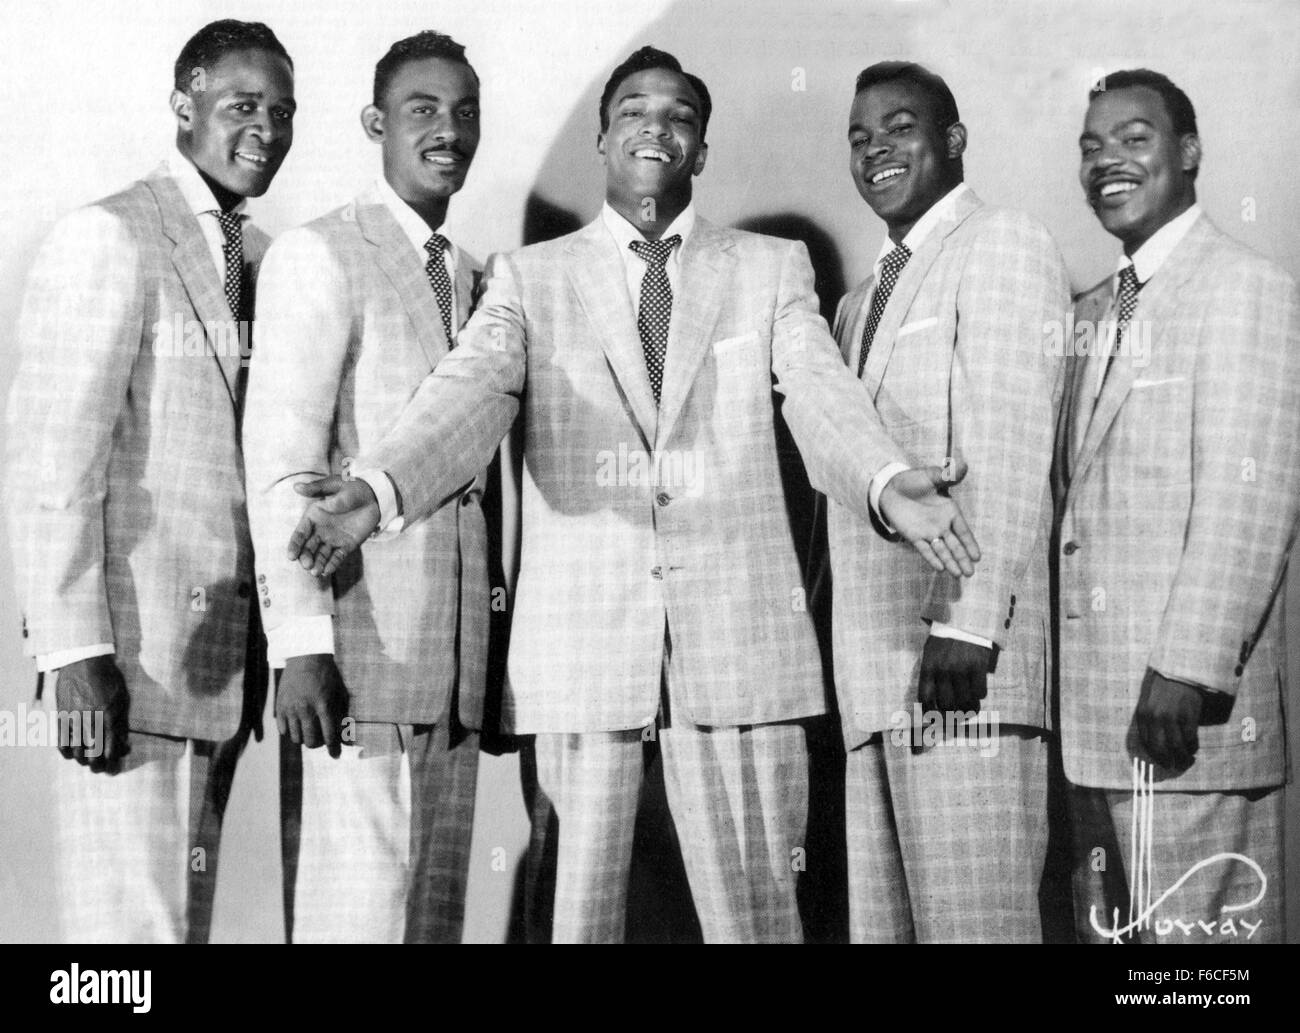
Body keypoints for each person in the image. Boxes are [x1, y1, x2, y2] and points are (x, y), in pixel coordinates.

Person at [287, 45, 980, 943]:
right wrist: (380, 488)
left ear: (701, 151)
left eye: (681, 117)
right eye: (636, 113)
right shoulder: (527, 279)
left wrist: (887, 482)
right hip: (581, 654)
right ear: (603, 140)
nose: (658, 127)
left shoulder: (772, 268)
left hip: (742, 654)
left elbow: (819, 391)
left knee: (763, 919)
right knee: (575, 922)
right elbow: (466, 394)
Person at [4, 19, 295, 943]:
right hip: (126, 664)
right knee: (124, 948)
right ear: (184, 103)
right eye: (243, 104)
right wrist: (72, 651)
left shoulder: (266, 261)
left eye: (283, 111)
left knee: (176, 936)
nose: (267, 129)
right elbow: (52, 458)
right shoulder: (109, 237)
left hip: (223, 664)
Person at [243, 30, 500, 944]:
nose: (448, 131)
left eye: (464, 112)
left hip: (456, 670)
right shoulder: (321, 254)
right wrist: (302, 641)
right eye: (424, 110)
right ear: (374, 124)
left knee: (430, 926)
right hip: (358, 656)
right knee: (356, 922)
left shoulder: (477, 279)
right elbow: (281, 462)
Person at [820, 61, 1069, 943]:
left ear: (954, 138)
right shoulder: (854, 306)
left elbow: (1008, 442)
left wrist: (968, 622)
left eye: (898, 126)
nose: (875, 149)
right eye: (859, 137)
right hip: (875, 680)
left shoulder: (1003, 241)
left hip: (966, 666)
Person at [1056, 69, 1299, 944]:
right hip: (1092, 731)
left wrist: (1187, 668)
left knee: (1205, 988)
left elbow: (1253, 491)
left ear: (1189, 153)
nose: (1106, 161)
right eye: (1090, 147)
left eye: (1133, 138)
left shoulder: (1243, 286)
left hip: (1184, 721)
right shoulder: (1089, 313)